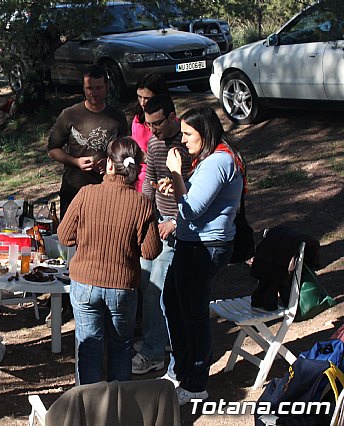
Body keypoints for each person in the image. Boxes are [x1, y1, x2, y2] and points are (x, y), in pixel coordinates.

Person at [156, 106, 244, 405]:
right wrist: (180, 183)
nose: (183, 140)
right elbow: (194, 198)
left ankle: (196, 384)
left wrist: (177, 174)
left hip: (204, 248)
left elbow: (191, 210)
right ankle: (180, 370)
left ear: (204, 133)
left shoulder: (218, 162)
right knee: (172, 303)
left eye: (188, 134)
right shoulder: (210, 160)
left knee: (193, 315)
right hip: (193, 245)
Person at [57, 136, 161, 385]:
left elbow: (64, 236)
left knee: (89, 345)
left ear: (110, 166)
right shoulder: (142, 204)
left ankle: (90, 408)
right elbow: (150, 251)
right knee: (121, 346)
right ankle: (117, 405)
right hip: (123, 286)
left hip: (85, 282)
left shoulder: (85, 194)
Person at [133, 94, 191, 377]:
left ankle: (154, 352)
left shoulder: (189, 143)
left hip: (180, 225)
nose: (152, 130)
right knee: (144, 280)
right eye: (148, 124)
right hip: (156, 223)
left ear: (172, 117)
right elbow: (148, 183)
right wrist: (144, 217)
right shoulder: (154, 143)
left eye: (157, 124)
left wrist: (176, 222)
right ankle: (159, 340)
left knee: (157, 288)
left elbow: (199, 194)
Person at [47, 64, 129, 219]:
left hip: (107, 191)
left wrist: (111, 163)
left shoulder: (117, 117)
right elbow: (53, 149)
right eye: (89, 88)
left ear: (106, 87)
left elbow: (126, 153)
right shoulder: (69, 115)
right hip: (74, 190)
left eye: (98, 88)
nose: (94, 93)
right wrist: (75, 161)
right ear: (84, 89)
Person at [131, 73, 169, 191]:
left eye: (147, 98)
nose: (142, 103)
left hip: (162, 181)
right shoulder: (137, 119)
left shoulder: (167, 123)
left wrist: (148, 158)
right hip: (138, 179)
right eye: (139, 97)